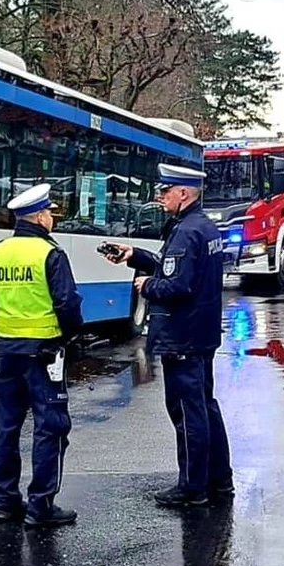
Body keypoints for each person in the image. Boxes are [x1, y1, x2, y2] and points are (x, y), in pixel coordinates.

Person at [103, 164, 233, 507]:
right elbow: (172, 264)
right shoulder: (202, 227)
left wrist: (148, 284)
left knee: (188, 412)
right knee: (206, 407)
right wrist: (136, 257)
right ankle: (220, 481)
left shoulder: (187, 231)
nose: (160, 198)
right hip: (200, 333)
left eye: (166, 191)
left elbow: (176, 284)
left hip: (182, 335)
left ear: (184, 193)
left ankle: (192, 489)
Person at [0, 183, 84, 528]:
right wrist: (70, 337)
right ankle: (40, 507)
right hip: (45, 353)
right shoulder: (49, 254)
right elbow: (67, 303)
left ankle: (5, 502)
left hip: (7, 352)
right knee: (50, 427)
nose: (52, 218)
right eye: (50, 212)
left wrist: (1, 334)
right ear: (38, 216)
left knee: (6, 426)